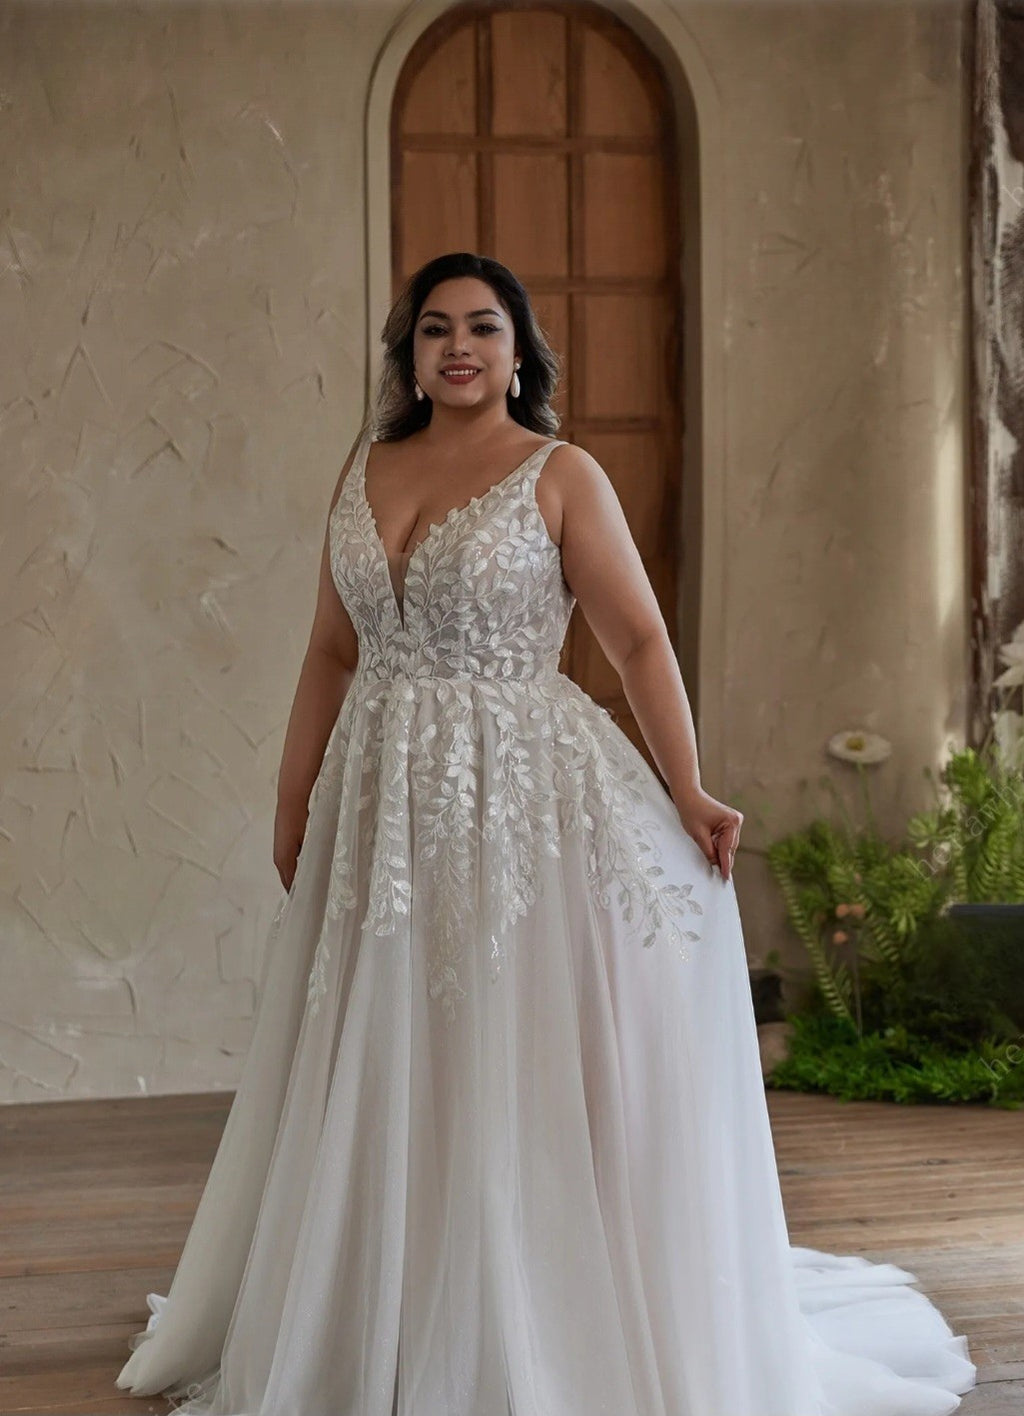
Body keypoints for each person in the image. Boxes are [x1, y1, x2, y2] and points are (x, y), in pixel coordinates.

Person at [115, 251, 977, 1416]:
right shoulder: (366, 466)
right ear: (408, 355)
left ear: (519, 352)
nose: (457, 347)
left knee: (499, 1041)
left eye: (481, 327)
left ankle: (519, 1314)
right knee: (386, 1042)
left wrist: (688, 786)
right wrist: (294, 799)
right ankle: (385, 1296)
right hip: (383, 798)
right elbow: (331, 650)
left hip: (513, 796)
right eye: (433, 330)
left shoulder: (560, 474)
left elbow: (637, 644)